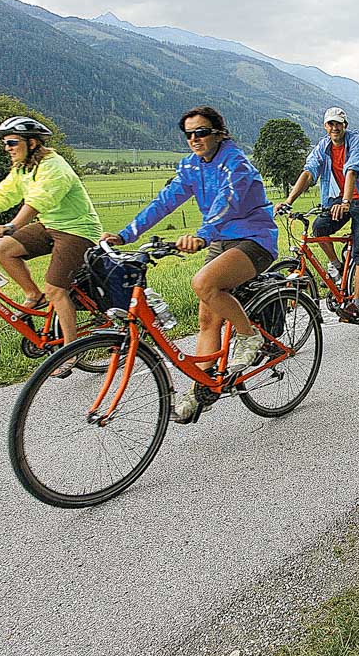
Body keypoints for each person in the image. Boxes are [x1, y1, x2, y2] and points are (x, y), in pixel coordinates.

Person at [105, 106, 279, 423]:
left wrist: (201, 235)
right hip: (220, 240)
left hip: (255, 239)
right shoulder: (192, 166)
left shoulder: (235, 163)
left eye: (201, 132)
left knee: (203, 283)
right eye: (189, 134)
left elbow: (228, 202)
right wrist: (125, 234)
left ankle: (249, 334)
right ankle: (203, 387)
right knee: (206, 319)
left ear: (218, 133)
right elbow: (165, 200)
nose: (194, 139)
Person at [0, 116, 103, 377]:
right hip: (49, 225)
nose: (7, 147)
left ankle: (71, 350)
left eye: (11, 142)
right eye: (5, 143)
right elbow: (0, 196)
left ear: (32, 143)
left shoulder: (54, 167)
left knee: (56, 289)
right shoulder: (23, 168)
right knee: (1, 249)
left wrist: (13, 225)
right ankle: (34, 294)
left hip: (77, 230)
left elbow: (38, 200)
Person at [276, 107, 359, 323]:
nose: (334, 127)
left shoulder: (357, 142)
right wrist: (288, 202)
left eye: (338, 123)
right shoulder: (323, 146)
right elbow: (308, 171)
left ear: (345, 126)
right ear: (325, 126)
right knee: (319, 228)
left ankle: (355, 305)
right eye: (330, 124)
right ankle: (338, 267)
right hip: (341, 199)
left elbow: (351, 170)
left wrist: (346, 202)